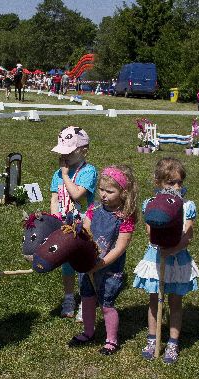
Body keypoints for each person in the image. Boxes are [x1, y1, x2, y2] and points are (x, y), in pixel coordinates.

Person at [133, 158, 199, 364]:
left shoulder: (187, 205)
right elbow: (150, 231)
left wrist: (173, 249)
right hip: (156, 257)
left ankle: (172, 342)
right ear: (158, 182)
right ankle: (153, 339)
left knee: (175, 301)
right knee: (155, 300)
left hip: (177, 258)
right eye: (170, 183)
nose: (176, 187)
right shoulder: (151, 205)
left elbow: (188, 235)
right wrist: (162, 247)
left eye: (179, 182)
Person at [68, 165, 137, 356]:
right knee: (87, 299)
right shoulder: (94, 208)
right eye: (101, 190)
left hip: (109, 268)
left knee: (106, 304)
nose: (104, 195)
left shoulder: (124, 217)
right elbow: (88, 230)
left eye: (110, 191)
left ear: (123, 193)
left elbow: (120, 246)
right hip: (88, 264)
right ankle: (88, 332)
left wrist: (102, 263)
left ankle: (111, 340)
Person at [49, 126, 98, 318]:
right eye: (62, 152)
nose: (64, 157)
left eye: (68, 152)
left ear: (84, 151)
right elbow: (54, 199)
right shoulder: (57, 174)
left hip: (84, 223)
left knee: (83, 262)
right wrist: (55, 220)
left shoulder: (89, 171)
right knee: (67, 263)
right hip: (64, 224)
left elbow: (77, 193)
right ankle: (69, 297)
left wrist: (66, 175)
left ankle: (86, 299)